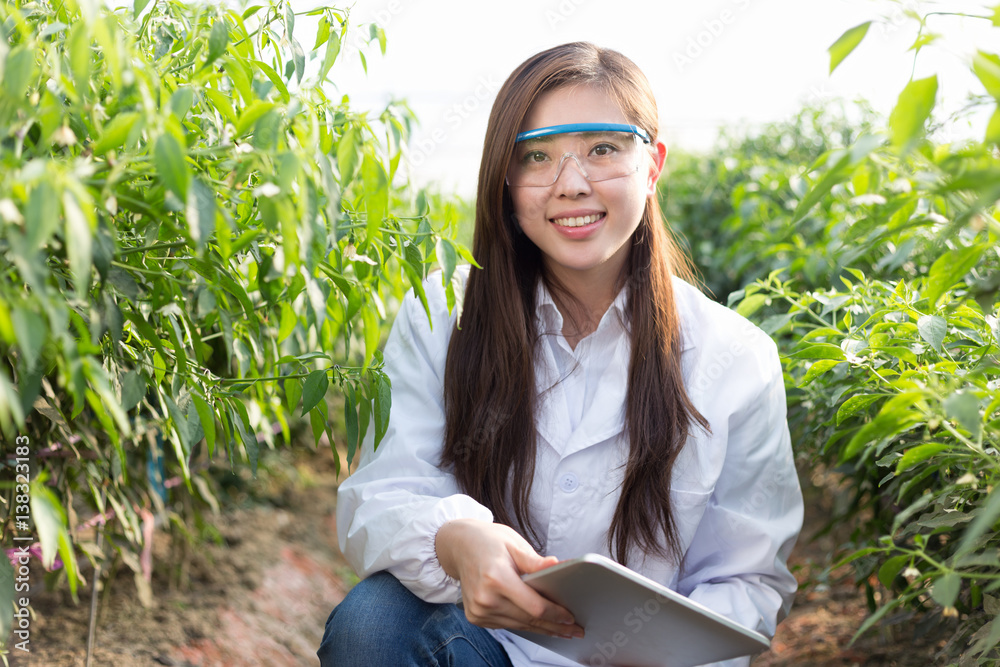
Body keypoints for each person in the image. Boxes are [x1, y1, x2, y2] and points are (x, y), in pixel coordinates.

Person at [318, 42, 803, 667]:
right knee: (373, 626)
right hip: (482, 648)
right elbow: (383, 491)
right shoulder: (444, 312)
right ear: (507, 182)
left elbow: (746, 581)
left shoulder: (734, 358)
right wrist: (457, 541)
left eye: (603, 149)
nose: (571, 184)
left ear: (651, 164)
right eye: (537, 156)